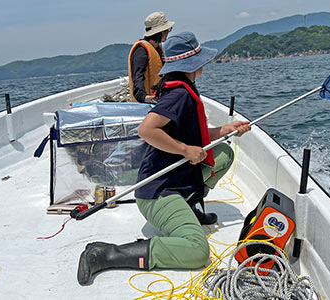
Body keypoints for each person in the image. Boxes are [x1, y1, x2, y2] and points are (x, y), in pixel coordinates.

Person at [77, 32, 251, 286]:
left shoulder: (185, 89)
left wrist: (225, 130)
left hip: (177, 181)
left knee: (223, 154)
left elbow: (197, 135)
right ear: (192, 64)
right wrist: (185, 150)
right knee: (197, 251)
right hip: (158, 193)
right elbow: (147, 130)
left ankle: (190, 208)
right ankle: (107, 253)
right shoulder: (179, 96)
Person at [128, 12, 174, 104]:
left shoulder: (156, 48)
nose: (168, 32)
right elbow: (138, 76)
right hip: (144, 104)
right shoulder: (141, 50)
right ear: (160, 31)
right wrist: (143, 97)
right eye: (167, 29)